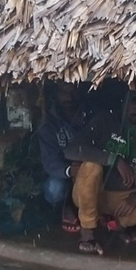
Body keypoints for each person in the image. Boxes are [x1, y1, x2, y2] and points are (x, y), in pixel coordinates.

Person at [62, 92, 136, 256]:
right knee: (91, 166)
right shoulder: (105, 121)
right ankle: (88, 230)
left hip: (122, 199)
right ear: (126, 104)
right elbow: (71, 150)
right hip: (90, 193)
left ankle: (118, 223)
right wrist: (114, 159)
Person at [36, 82, 88, 232]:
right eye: (64, 93)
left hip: (91, 166)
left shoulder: (90, 115)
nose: (69, 98)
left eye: (73, 92)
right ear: (56, 95)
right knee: (55, 189)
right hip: (65, 173)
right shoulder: (49, 125)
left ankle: (94, 212)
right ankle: (65, 207)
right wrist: (70, 170)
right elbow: (50, 161)